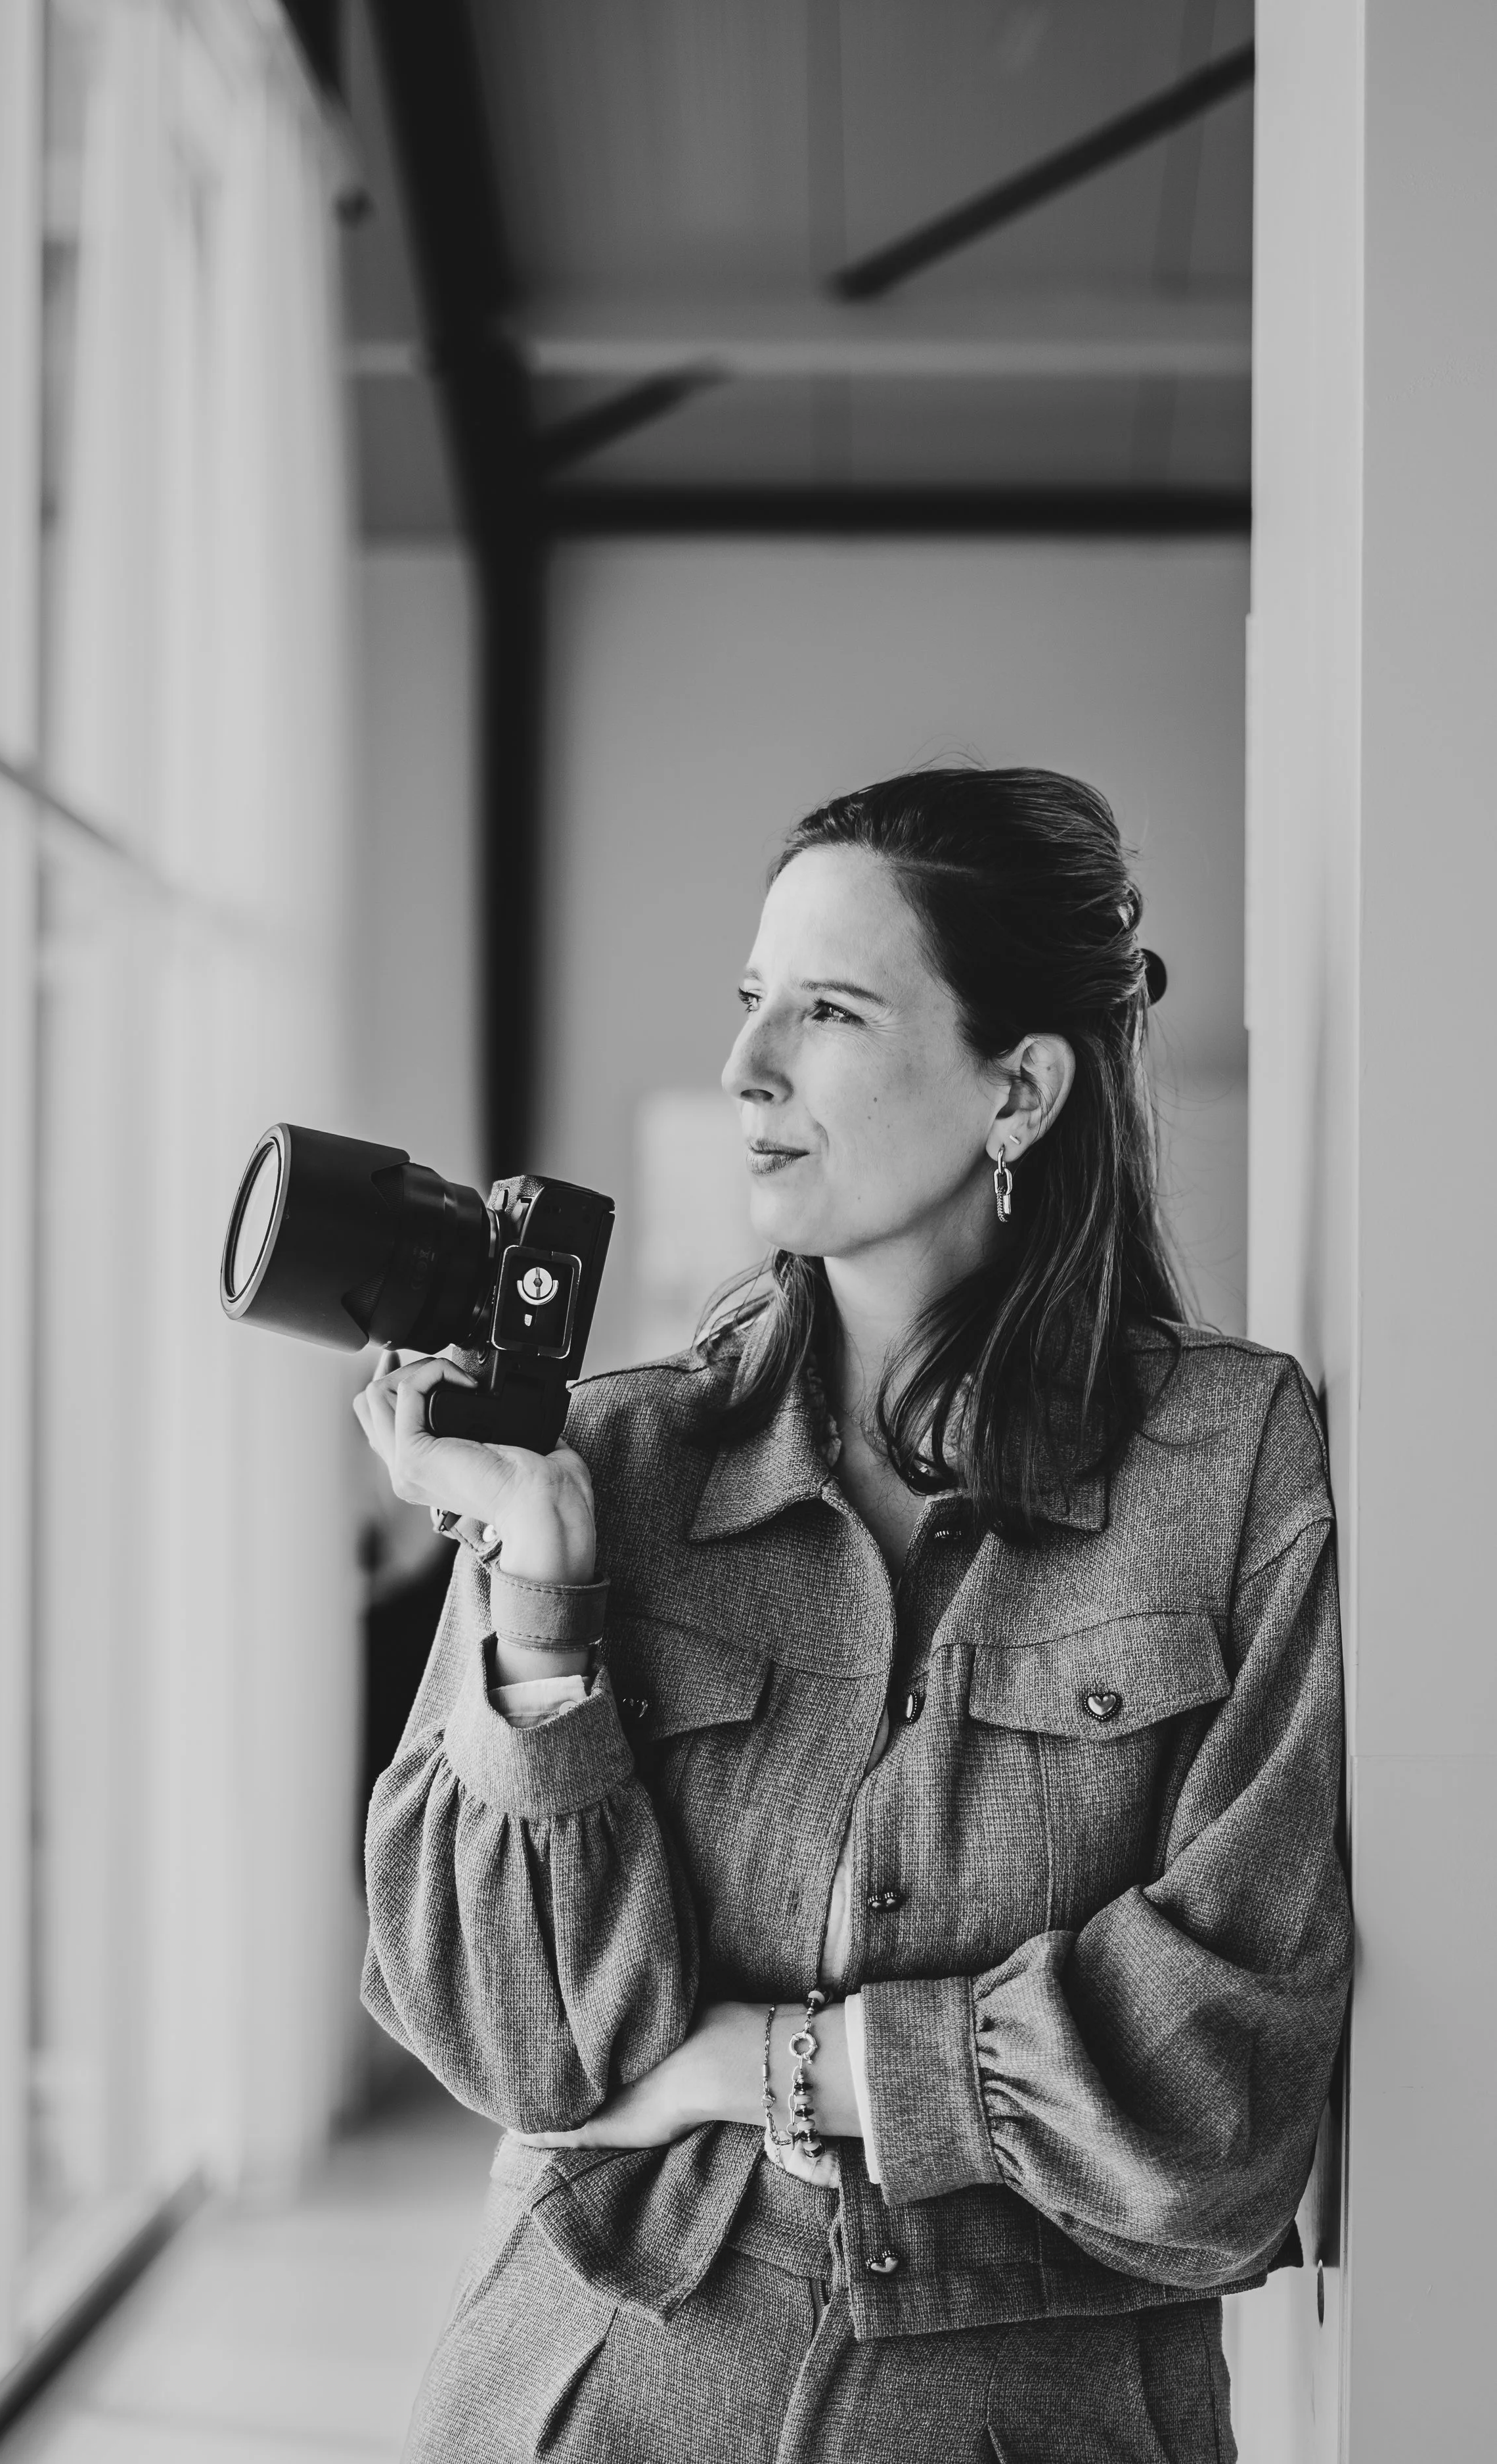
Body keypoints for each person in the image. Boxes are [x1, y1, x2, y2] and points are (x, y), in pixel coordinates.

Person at [355, 768, 1351, 2464]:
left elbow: (1224, 2093)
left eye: (828, 1010)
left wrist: (774, 2067)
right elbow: (514, 2045)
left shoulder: (1234, 1465)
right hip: (605, 2396)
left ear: (1018, 1087)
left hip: (1029, 2422)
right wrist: (540, 1606)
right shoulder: (611, 1459)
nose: (748, 1067)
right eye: (753, 1001)